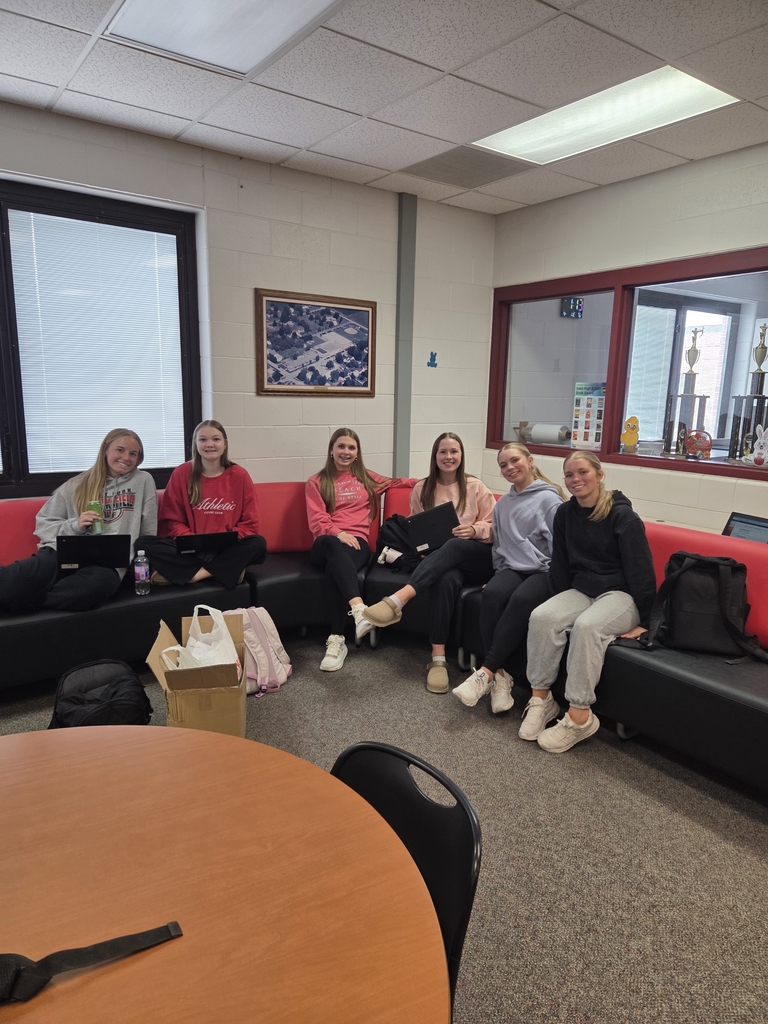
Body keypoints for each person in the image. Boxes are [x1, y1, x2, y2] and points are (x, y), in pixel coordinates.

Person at [521, 450, 656, 753]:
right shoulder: (566, 514)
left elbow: (642, 569)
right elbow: (560, 563)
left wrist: (647, 622)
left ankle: (580, 716)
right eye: (569, 475)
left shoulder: (622, 515)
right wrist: (558, 602)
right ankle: (541, 700)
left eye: (582, 472)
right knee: (543, 617)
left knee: (587, 627)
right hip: (583, 590)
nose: (575, 479)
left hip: (620, 595)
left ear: (599, 474)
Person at [363, 432, 496, 694]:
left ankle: (398, 600)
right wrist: (424, 549)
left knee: (456, 543)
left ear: (461, 456)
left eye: (454, 451)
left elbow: (495, 528)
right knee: (445, 578)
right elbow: (417, 528)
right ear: (435, 457)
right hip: (445, 563)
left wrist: (475, 530)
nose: (448, 457)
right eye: (443, 452)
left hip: (478, 557)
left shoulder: (476, 486)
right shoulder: (422, 489)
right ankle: (437, 660)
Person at [452, 442, 565, 713]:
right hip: (512, 568)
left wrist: (561, 584)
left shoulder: (550, 500)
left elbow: (561, 549)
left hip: (545, 570)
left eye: (514, 461)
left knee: (521, 599)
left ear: (529, 460)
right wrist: (498, 574)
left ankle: (485, 671)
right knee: (491, 595)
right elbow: (501, 545)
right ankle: (501, 677)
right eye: (503, 465)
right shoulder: (503, 504)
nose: (509, 468)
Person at [0, 429, 157, 613]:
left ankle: (23, 600)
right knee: (9, 584)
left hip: (109, 562)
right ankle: (16, 596)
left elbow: (148, 530)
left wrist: (140, 562)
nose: (126, 457)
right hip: (63, 552)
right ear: (105, 450)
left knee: (90, 591)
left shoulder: (143, 480)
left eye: (133, 454)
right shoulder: (77, 484)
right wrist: (75, 525)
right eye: (120, 450)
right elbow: (44, 524)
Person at [306, 428, 410, 673]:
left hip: (358, 545)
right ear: (332, 450)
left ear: (357, 453)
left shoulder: (367, 478)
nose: (346, 452)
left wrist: (431, 481)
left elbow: (399, 482)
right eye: (341, 446)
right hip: (326, 543)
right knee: (333, 547)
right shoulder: (317, 481)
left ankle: (337, 640)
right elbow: (317, 520)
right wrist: (339, 533)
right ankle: (359, 610)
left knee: (337, 567)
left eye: (351, 448)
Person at [138, 420, 266, 589]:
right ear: (196, 444)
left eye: (216, 439)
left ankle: (194, 574)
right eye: (203, 440)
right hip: (190, 546)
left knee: (258, 544)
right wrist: (192, 539)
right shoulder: (181, 473)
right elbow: (170, 520)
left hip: (226, 547)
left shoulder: (239, 475)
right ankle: (224, 570)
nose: (210, 444)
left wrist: (223, 539)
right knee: (144, 543)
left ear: (225, 444)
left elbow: (250, 523)